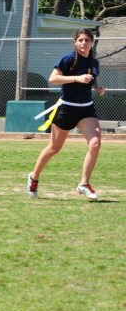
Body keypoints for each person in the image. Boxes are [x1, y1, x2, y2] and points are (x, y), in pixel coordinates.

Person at [27, 29, 105, 201]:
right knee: (54, 148)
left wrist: (97, 87)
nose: (84, 43)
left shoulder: (94, 62)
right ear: (75, 42)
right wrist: (76, 78)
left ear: (92, 42)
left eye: (87, 40)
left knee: (95, 144)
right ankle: (34, 177)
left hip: (86, 109)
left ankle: (84, 184)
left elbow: (91, 79)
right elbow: (53, 78)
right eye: (80, 40)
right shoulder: (68, 59)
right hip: (66, 108)